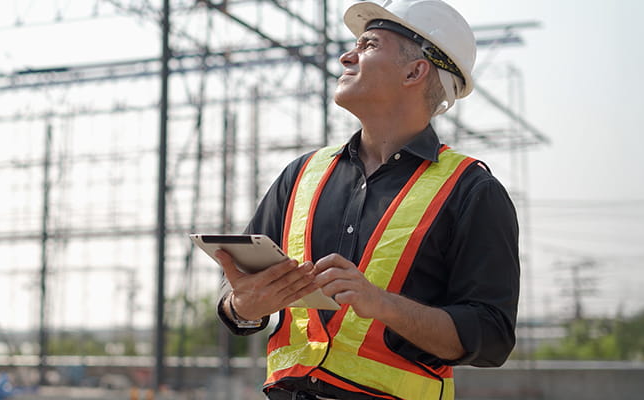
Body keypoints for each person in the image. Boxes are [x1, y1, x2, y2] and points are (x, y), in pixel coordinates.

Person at [212, 1, 519, 399]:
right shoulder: (301, 175)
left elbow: (492, 337)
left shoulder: (471, 191)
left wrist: (383, 305)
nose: (346, 55)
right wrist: (242, 307)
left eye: (369, 44)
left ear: (415, 70)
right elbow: (236, 297)